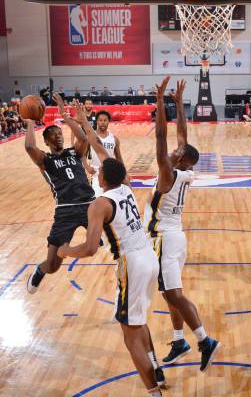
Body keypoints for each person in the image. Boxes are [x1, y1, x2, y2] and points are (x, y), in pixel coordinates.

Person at [57, 157, 164, 397]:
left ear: (104, 178)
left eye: (99, 172)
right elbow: (116, 167)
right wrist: (86, 127)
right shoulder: (126, 187)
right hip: (148, 256)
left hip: (132, 264)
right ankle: (156, 369)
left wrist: (65, 251)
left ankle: (154, 392)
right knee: (138, 321)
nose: (96, 173)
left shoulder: (99, 204)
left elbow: (90, 248)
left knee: (130, 336)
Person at [145, 76, 221, 372]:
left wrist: (161, 102)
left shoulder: (169, 173)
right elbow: (180, 137)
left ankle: (204, 340)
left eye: (178, 153)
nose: (174, 151)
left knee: (174, 294)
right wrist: (179, 105)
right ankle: (179, 341)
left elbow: (162, 137)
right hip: (175, 237)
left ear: (184, 161)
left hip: (165, 238)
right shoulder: (184, 170)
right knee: (168, 291)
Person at [25, 94, 95, 294]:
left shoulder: (75, 152)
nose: (58, 136)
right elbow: (30, 146)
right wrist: (30, 123)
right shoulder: (44, 160)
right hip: (65, 210)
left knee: (113, 236)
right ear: (46, 142)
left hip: (90, 205)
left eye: (60, 133)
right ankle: (40, 271)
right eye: (53, 135)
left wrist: (66, 116)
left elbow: (83, 137)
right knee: (53, 265)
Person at [82, 108, 124, 196]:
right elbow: (82, 154)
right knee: (98, 198)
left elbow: (119, 158)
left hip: (111, 174)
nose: (103, 122)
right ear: (97, 121)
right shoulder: (91, 137)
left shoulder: (114, 139)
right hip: (97, 174)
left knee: (112, 199)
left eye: (105, 120)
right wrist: (87, 167)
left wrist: (125, 173)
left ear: (109, 121)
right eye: (100, 120)